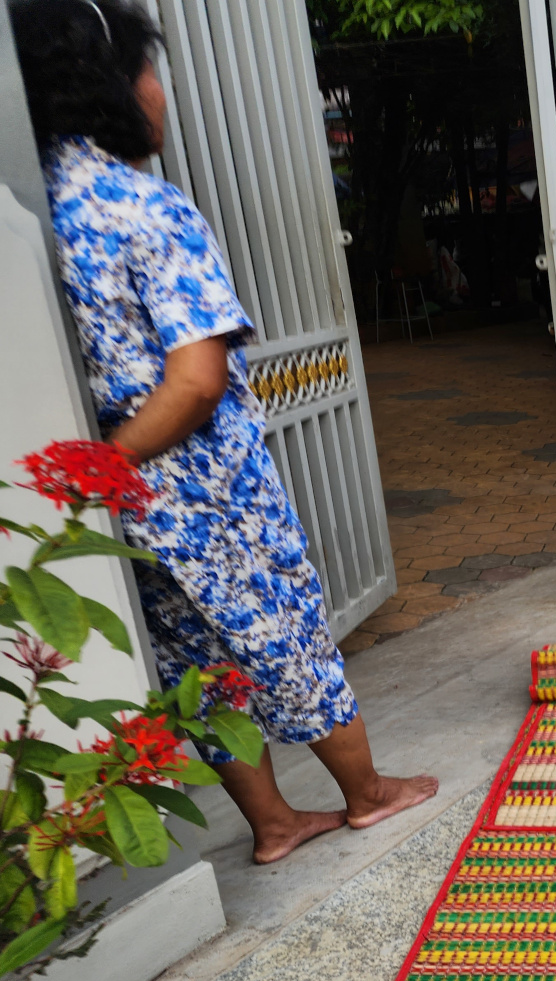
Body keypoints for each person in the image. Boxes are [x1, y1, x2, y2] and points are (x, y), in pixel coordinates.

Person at [13, 0, 438, 864]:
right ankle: (366, 792)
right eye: (150, 74)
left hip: (130, 517)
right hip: (204, 487)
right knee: (284, 633)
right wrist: (115, 459)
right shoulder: (145, 209)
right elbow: (198, 378)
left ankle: (276, 825)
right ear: (114, 85)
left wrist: (101, 474)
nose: (160, 95)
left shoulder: (35, 215)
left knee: (197, 670)